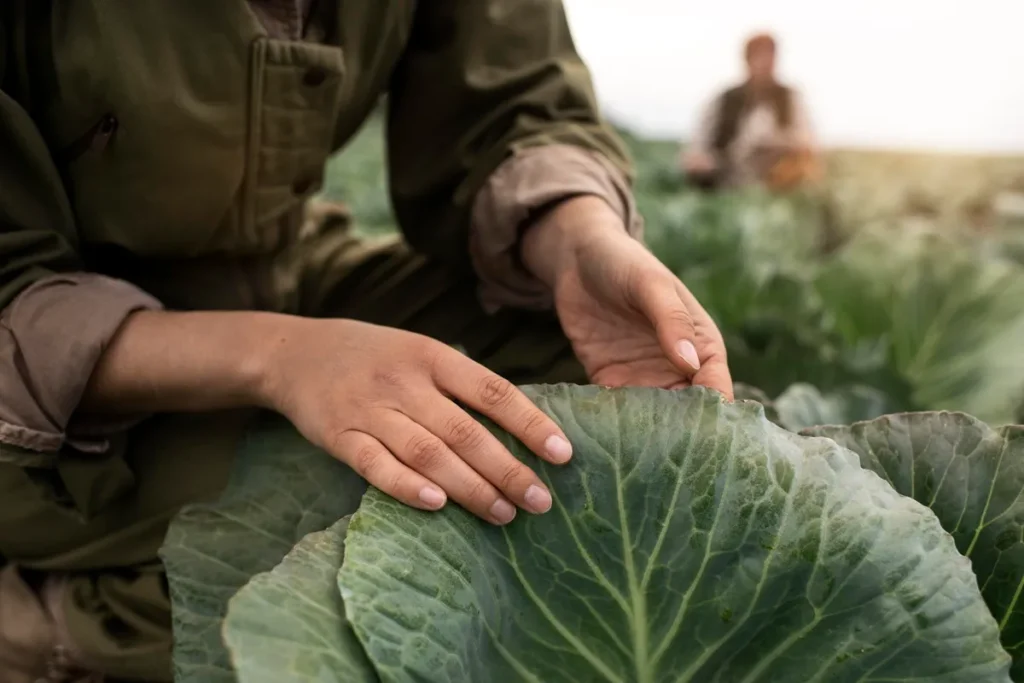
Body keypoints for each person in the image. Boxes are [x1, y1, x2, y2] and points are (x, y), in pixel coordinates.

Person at [0, 3, 732, 681]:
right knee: (300, 530)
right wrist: (282, 358)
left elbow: (511, 101)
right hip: (47, 387)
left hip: (284, 273)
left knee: (592, 389)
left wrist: (578, 239)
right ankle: (50, 621)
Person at [680, 32, 820, 192]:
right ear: (747, 60)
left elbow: (808, 139)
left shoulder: (790, 97)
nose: (766, 64)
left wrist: (778, 143)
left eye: (771, 57)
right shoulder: (725, 98)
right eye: (760, 57)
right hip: (728, 171)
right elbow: (699, 141)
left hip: (777, 174)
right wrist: (701, 158)